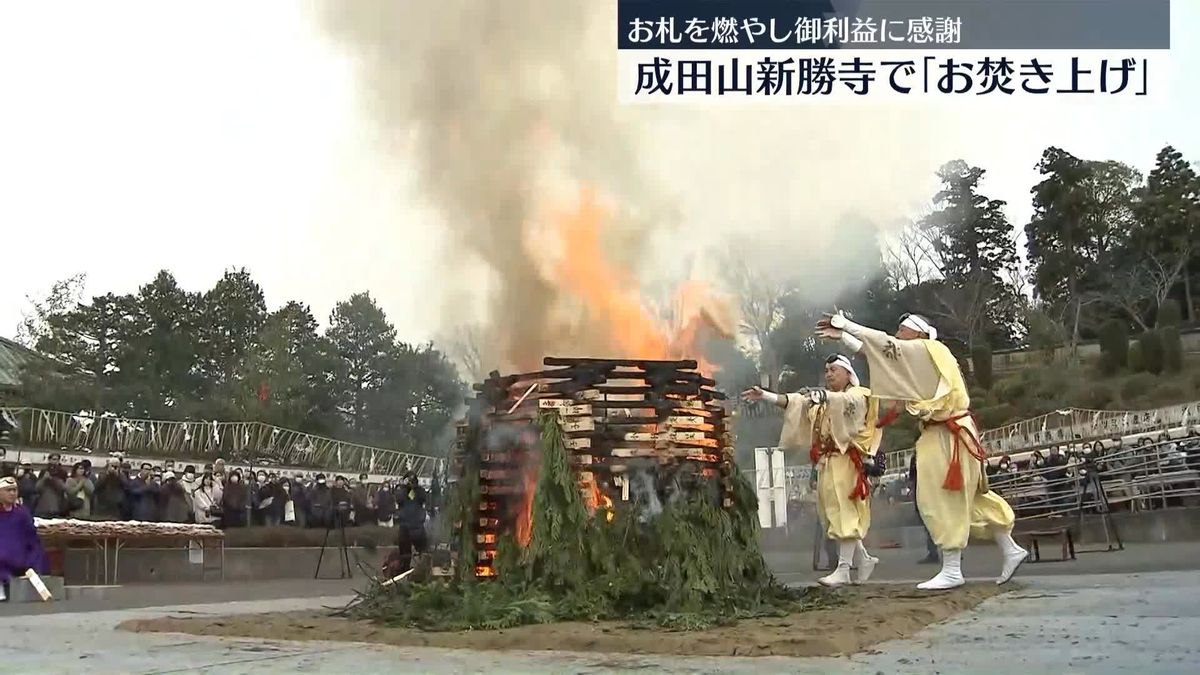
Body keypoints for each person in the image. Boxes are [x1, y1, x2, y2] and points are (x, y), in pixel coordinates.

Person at [816, 311, 1026, 590]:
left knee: (941, 496)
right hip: (947, 432)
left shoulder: (930, 349)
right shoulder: (926, 358)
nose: (898, 335)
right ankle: (1010, 549)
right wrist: (845, 337)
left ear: (918, 333)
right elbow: (885, 357)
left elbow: (887, 348)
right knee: (969, 497)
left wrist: (847, 325)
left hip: (947, 434)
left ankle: (952, 569)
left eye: (902, 330)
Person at [742, 354, 882, 587]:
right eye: (826, 370)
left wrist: (825, 396)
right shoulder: (825, 399)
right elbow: (796, 402)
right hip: (827, 462)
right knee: (831, 514)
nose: (828, 374)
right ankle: (864, 559)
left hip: (846, 460)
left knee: (843, 511)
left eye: (833, 370)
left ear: (848, 373)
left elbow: (849, 403)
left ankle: (844, 569)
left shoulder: (858, 394)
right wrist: (765, 395)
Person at [0, 475, 50, 602]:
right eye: (8, 490)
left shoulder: (22, 512)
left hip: (19, 557)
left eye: (14, 490)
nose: (12, 493)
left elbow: (31, 537)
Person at [392, 472, 428, 574]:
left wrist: (414, 488)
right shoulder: (401, 491)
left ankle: (423, 570)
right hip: (405, 525)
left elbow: (423, 498)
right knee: (404, 553)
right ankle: (404, 570)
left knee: (423, 551)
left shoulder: (420, 491)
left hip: (417, 525)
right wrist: (405, 487)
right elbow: (399, 499)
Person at [909, 454, 939, 565]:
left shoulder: (932, 454)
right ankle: (934, 552)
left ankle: (948, 550)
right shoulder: (916, 456)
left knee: (936, 522)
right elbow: (912, 477)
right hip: (922, 492)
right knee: (928, 524)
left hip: (932, 492)